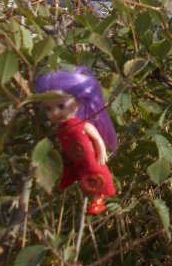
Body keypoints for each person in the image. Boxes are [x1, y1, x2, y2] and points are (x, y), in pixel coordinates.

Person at [35, 67, 117, 215]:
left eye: (61, 106)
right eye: (48, 109)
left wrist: (101, 152)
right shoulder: (61, 129)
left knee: (97, 174)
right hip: (76, 160)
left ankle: (99, 199)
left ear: (78, 101)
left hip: (91, 158)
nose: (55, 113)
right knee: (81, 175)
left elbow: (97, 138)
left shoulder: (82, 125)